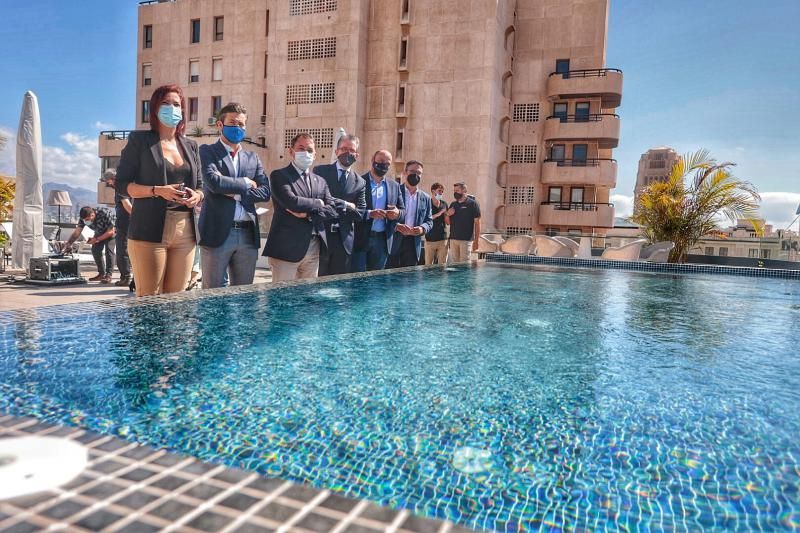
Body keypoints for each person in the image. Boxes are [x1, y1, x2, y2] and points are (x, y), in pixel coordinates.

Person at [115, 84, 204, 296]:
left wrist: (197, 195)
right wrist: (157, 190)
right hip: (149, 229)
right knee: (149, 301)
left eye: (176, 104)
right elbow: (122, 185)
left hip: (186, 230)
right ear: (154, 108)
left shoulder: (191, 146)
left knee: (175, 301)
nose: (171, 108)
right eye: (165, 103)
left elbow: (201, 185)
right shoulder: (139, 141)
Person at [199, 102, 271, 289]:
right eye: (233, 122)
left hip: (248, 233)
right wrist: (247, 183)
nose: (238, 127)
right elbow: (214, 182)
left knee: (244, 295)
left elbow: (265, 191)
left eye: (241, 124)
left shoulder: (252, 158)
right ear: (220, 125)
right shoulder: (207, 152)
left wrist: (236, 194)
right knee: (213, 296)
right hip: (218, 233)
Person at [262, 133, 340, 282]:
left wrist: (309, 215)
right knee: (282, 299)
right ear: (291, 151)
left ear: (315, 154)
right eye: (301, 148)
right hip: (286, 249)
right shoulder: (279, 176)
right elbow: (292, 202)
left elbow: (332, 209)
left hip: (313, 247)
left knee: (307, 300)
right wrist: (318, 203)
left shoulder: (320, 181)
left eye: (310, 150)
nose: (306, 153)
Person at [314, 134, 366, 276]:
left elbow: (360, 213)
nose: (347, 153)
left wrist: (331, 203)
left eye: (351, 150)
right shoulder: (320, 172)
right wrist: (346, 204)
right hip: (321, 237)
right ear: (336, 151)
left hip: (344, 242)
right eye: (343, 149)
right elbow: (318, 200)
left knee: (338, 288)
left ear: (357, 154)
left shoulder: (360, 182)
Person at [351, 150, 404, 272]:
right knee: (357, 280)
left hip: (382, 240)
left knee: (376, 282)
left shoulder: (394, 186)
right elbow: (352, 209)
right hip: (361, 238)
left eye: (387, 163)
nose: (383, 165)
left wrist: (397, 214)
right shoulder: (358, 182)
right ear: (372, 160)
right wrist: (370, 214)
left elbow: (403, 211)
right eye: (380, 161)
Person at [391, 160, 432, 267]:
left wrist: (422, 228)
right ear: (405, 172)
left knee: (409, 279)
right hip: (393, 240)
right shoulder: (394, 191)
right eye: (412, 171)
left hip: (413, 244)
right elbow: (385, 215)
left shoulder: (426, 198)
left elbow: (429, 221)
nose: (415, 175)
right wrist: (396, 226)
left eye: (418, 173)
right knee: (389, 279)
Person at [62, 206, 116, 283]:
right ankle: (101, 274)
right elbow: (77, 232)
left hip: (111, 231)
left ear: (93, 215)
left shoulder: (104, 213)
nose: (86, 221)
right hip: (99, 231)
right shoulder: (83, 219)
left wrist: (96, 239)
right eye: (84, 220)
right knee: (95, 250)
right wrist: (69, 243)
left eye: (87, 219)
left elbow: (111, 232)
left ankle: (108, 275)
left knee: (109, 250)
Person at [102, 169, 133, 286]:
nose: (108, 184)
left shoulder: (121, 189)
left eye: (108, 182)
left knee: (122, 251)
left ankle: (125, 278)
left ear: (113, 179)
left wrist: (137, 218)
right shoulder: (129, 187)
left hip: (125, 224)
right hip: (129, 223)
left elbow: (128, 206)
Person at [447, 182, 481, 262]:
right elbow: (448, 222)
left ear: (464, 190)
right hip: (453, 239)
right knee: (455, 265)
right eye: (454, 191)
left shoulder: (473, 204)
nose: (455, 192)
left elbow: (477, 223)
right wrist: (447, 214)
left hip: (466, 240)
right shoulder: (453, 204)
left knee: (464, 266)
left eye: (457, 190)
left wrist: (477, 241)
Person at [425, 181, 449, 265]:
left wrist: (447, 214)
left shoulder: (444, 204)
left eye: (442, 192)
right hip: (429, 239)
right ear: (433, 191)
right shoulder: (427, 203)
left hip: (443, 239)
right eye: (439, 191)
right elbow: (427, 218)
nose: (441, 193)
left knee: (442, 266)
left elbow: (447, 222)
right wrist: (439, 213)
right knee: (428, 266)